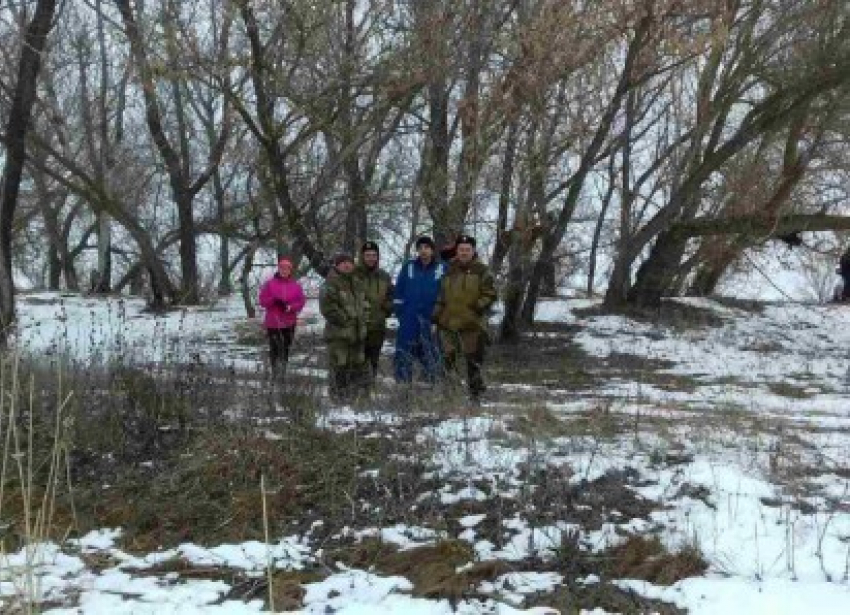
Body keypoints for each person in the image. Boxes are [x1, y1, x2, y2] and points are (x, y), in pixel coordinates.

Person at [432, 234, 497, 403]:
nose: (464, 253)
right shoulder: (449, 270)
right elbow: (442, 296)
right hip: (449, 323)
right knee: (448, 360)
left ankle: (475, 397)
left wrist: (478, 307)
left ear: (473, 251)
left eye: (467, 250)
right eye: (461, 249)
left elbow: (490, 294)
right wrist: (436, 314)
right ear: (457, 251)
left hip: (472, 325)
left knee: (473, 362)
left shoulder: (482, 270)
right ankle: (449, 395)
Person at [393, 236, 446, 385]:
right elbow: (398, 292)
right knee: (404, 352)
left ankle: (430, 386)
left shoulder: (442, 268)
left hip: (431, 319)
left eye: (427, 248)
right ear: (417, 250)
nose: (423, 251)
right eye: (420, 248)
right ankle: (403, 387)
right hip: (409, 319)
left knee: (430, 352)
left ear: (432, 250)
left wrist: (439, 318)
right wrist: (401, 314)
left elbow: (446, 294)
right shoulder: (408, 266)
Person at [320, 252, 370, 403]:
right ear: (337, 265)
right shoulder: (331, 283)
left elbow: (365, 304)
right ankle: (337, 399)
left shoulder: (357, 283)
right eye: (343, 263)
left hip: (357, 334)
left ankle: (352, 398)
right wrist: (347, 320)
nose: (347, 265)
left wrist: (363, 321)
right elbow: (328, 308)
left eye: (349, 262)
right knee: (338, 367)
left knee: (356, 367)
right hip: (338, 335)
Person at [258, 257, 306, 379]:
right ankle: (275, 373)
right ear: (278, 269)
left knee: (285, 348)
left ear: (291, 270)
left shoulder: (296, 286)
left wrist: (290, 307)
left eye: (287, 268)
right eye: (282, 268)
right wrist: (273, 300)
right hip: (273, 322)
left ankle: (282, 373)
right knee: (274, 348)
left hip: (289, 321)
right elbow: (262, 301)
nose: (284, 270)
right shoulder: (269, 284)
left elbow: (301, 302)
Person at [354, 241, 394, 379]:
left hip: (377, 327)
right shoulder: (354, 275)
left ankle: (369, 392)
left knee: (373, 362)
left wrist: (386, 309)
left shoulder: (384, 276)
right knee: (357, 362)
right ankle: (353, 394)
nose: (371, 258)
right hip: (357, 327)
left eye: (374, 255)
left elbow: (392, 296)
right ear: (362, 257)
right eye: (368, 255)